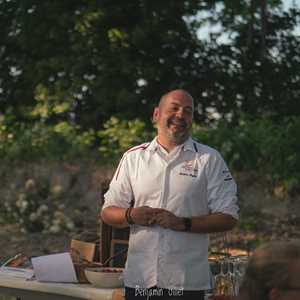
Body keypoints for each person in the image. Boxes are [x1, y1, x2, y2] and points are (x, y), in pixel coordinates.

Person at [101, 89, 239, 300]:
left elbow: (229, 217)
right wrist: (131, 215)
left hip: (187, 283)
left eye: (188, 111)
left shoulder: (209, 159)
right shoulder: (133, 158)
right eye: (174, 108)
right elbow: (108, 212)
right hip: (140, 282)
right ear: (156, 114)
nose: (181, 115)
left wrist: (182, 223)